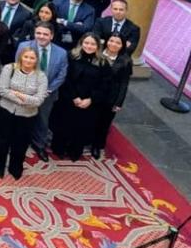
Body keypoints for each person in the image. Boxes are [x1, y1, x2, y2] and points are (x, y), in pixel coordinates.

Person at [0, 46, 48, 180]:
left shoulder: (41, 76)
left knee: (21, 143)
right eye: (26, 56)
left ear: (36, 60)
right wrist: (24, 99)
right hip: (6, 111)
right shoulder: (9, 69)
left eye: (32, 58)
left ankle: (15, 168)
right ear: (20, 56)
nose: (28, 60)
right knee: (1, 139)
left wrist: (19, 95)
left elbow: (38, 100)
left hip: (27, 116)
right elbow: (2, 90)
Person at [50, 33, 106, 161]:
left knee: (81, 128)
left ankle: (74, 152)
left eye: (92, 44)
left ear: (97, 46)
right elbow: (66, 77)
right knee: (63, 124)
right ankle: (59, 149)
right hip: (68, 98)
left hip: (88, 102)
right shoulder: (71, 56)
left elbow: (104, 85)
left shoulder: (102, 62)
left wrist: (90, 99)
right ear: (81, 43)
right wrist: (74, 97)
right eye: (86, 43)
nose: (89, 46)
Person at [17, 22, 68, 162]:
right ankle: (18, 143)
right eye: (38, 33)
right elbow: (17, 68)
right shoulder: (24, 46)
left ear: (51, 36)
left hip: (48, 94)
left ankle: (39, 145)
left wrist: (48, 89)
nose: (41, 36)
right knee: (22, 118)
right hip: (26, 92)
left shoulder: (61, 53)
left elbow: (62, 75)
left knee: (42, 120)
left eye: (45, 34)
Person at [94, 34, 132, 159]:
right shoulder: (97, 53)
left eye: (118, 42)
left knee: (104, 123)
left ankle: (97, 145)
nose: (113, 44)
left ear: (122, 45)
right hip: (93, 93)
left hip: (110, 97)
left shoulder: (125, 61)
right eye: (111, 41)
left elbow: (124, 83)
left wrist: (119, 102)